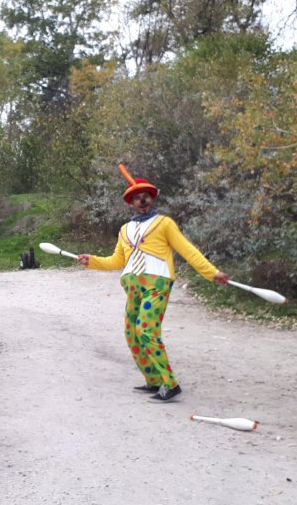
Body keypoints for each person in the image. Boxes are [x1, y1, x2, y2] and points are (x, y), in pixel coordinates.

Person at [76, 171, 229, 402]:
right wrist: (93, 261)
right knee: (131, 334)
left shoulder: (164, 224)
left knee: (146, 330)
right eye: (138, 197)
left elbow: (187, 250)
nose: (142, 200)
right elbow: (117, 261)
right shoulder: (125, 230)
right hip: (133, 287)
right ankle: (154, 379)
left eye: (146, 196)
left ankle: (170, 383)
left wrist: (211, 272)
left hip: (157, 283)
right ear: (131, 202)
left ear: (152, 198)